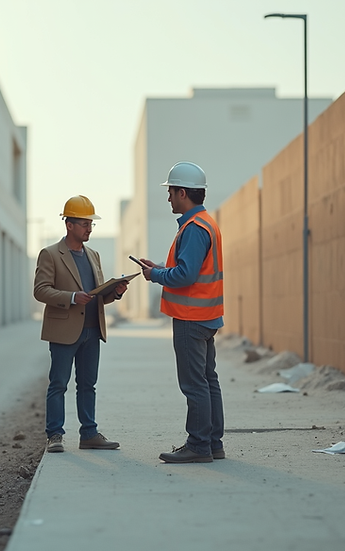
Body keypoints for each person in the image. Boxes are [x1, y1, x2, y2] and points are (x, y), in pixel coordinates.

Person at [138, 161, 225, 463]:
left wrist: (156, 276)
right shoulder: (206, 224)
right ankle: (213, 443)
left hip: (191, 318)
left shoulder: (193, 229)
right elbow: (191, 270)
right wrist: (162, 269)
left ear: (184, 193)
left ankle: (199, 445)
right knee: (207, 379)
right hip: (206, 316)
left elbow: (186, 276)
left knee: (194, 383)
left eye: (171, 192)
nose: (169, 198)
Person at [33, 195, 128, 453]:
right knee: (59, 384)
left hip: (92, 331)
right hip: (64, 331)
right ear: (69, 225)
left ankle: (89, 434)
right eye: (85, 223)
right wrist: (72, 298)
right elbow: (40, 291)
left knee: (88, 385)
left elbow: (97, 296)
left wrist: (115, 292)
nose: (89, 228)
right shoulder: (50, 254)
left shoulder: (93, 255)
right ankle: (55, 435)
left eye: (91, 224)